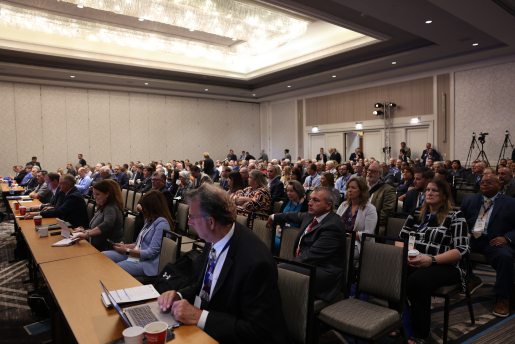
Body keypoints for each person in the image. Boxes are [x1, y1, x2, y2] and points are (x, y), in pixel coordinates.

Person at [157, 184, 292, 343]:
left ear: (211, 222)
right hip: (204, 329)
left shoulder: (255, 263)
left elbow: (258, 331)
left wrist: (200, 317)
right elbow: (204, 286)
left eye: (192, 217)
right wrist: (178, 295)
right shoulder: (213, 237)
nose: (189, 223)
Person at [391, 178, 469, 343]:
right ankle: (398, 321)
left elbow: (462, 249)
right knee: (393, 272)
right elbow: (401, 239)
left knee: (417, 281)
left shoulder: (455, 215)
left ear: (444, 195)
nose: (430, 193)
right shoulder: (417, 212)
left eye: (434, 190)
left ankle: (421, 333)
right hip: (414, 259)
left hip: (446, 264)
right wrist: (404, 256)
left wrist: (431, 260)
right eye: (428, 190)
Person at [267, 186, 345, 302]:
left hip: (324, 275)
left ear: (328, 205)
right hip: (308, 265)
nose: (310, 203)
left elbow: (311, 256)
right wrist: (274, 216)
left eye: (316, 200)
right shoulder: (312, 215)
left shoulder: (333, 226)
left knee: (276, 271)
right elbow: (295, 216)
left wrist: (287, 264)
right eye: (310, 199)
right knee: (272, 272)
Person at [460, 174, 515, 317]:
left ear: (500, 185)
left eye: (489, 182)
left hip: (494, 241)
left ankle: (503, 297)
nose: (484, 185)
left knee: (504, 257)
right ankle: (471, 278)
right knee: (452, 247)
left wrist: (507, 238)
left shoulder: (510, 202)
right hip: (472, 238)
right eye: (482, 182)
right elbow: (459, 221)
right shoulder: (469, 200)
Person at [103, 191, 174, 277]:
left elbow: (150, 253)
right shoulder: (149, 220)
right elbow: (138, 244)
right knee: (103, 256)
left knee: (115, 269)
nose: (142, 209)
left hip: (147, 263)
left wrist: (126, 251)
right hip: (137, 256)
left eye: (144, 206)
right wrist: (125, 246)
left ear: (152, 207)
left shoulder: (162, 224)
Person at [73, 180, 124, 251]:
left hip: (110, 248)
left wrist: (87, 234)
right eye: (94, 194)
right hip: (99, 246)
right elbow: (99, 228)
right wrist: (84, 231)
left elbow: (108, 224)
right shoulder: (103, 207)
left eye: (97, 194)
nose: (94, 197)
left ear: (107, 194)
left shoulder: (111, 208)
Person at [23, 174, 89, 228]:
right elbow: (61, 208)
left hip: (75, 226)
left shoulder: (73, 196)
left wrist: (38, 213)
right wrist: (53, 207)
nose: (59, 185)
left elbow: (60, 211)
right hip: (68, 222)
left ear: (68, 185)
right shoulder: (70, 192)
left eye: (60, 183)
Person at [336, 177, 377, 259]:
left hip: (358, 244)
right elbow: (335, 224)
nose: (349, 190)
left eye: (353, 188)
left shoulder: (370, 208)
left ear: (361, 190)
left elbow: (368, 234)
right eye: (348, 187)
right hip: (340, 240)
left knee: (335, 253)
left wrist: (347, 235)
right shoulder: (344, 205)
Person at [273, 181, 309, 253]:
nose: (288, 193)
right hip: (282, 231)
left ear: (298, 191)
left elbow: (305, 224)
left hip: (295, 233)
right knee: (268, 240)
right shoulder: (287, 201)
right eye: (287, 191)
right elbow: (280, 215)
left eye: (291, 191)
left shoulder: (306, 204)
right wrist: (278, 225)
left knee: (279, 245)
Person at [367, 162, 396, 236]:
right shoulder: (362, 187)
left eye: (373, 171)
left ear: (379, 174)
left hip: (377, 225)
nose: (369, 173)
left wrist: (369, 220)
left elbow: (387, 212)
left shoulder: (388, 189)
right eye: (368, 170)